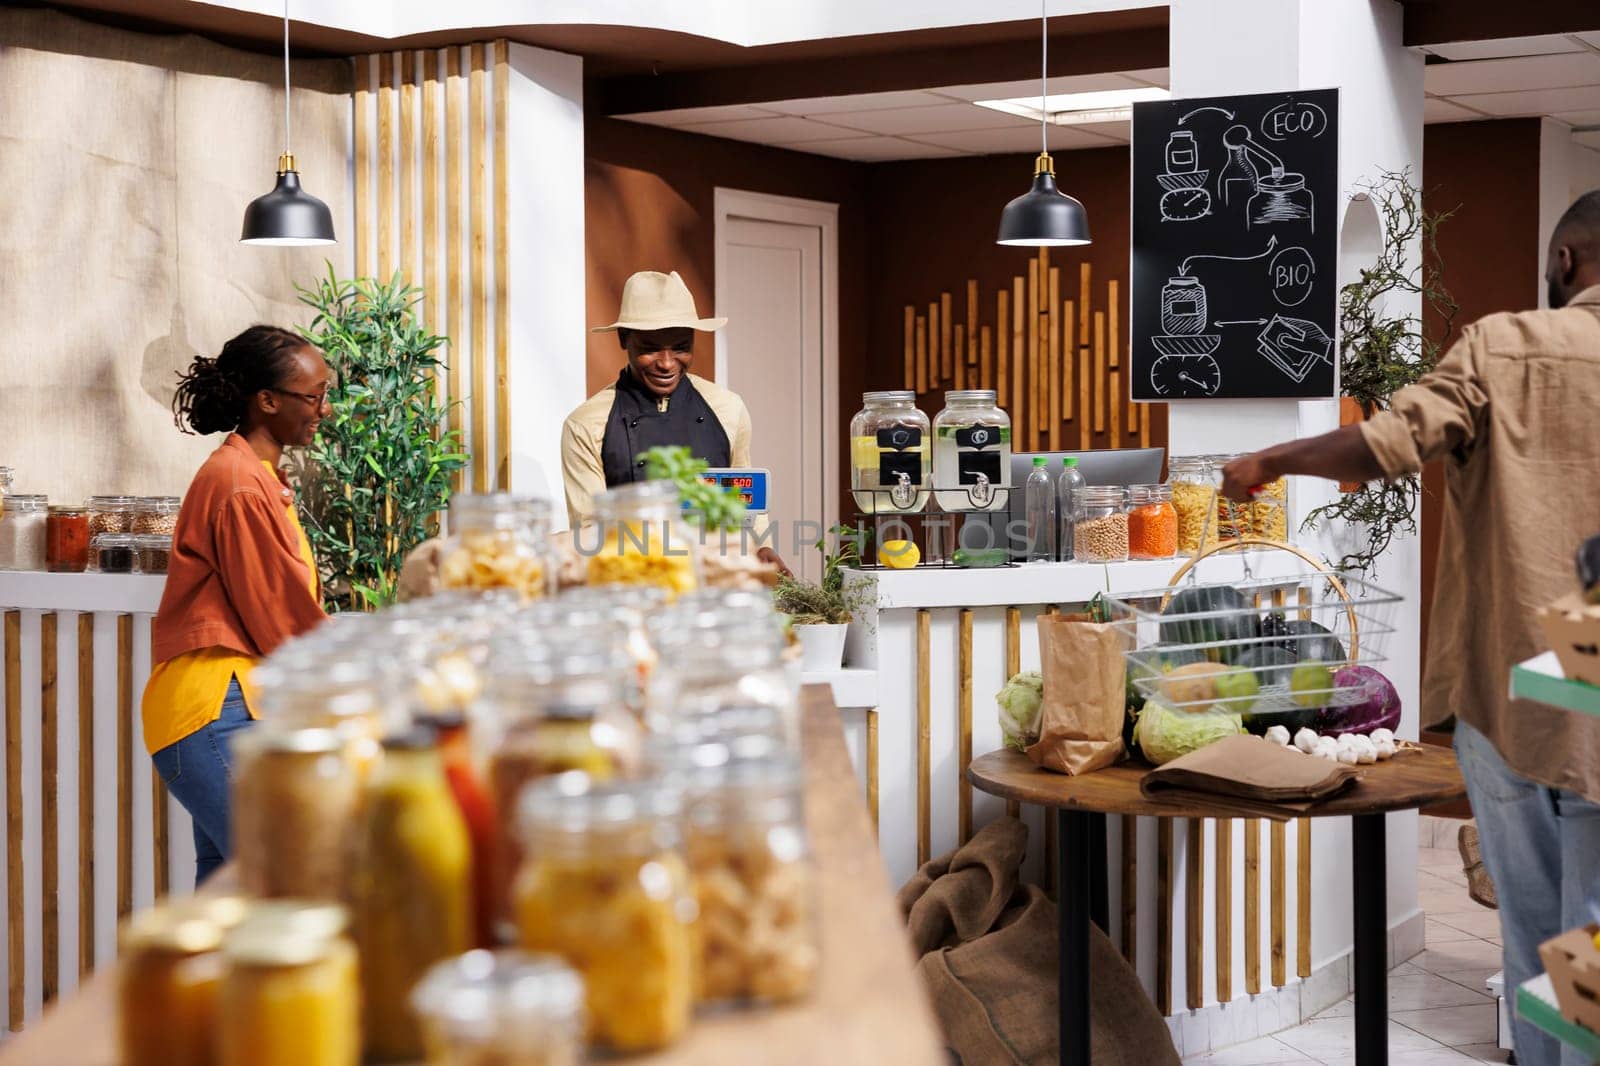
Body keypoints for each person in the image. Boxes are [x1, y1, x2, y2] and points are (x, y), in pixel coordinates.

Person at [1220, 190, 1600, 1066]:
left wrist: (1271, 460)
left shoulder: (1508, 346)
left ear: (1566, 263)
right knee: (1589, 946)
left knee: (1534, 935)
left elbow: (1389, 444)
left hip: (1512, 698)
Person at [144, 325, 330, 884]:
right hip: (216, 713)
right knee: (284, 880)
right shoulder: (241, 486)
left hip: (219, 711)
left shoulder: (252, 475)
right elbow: (280, 619)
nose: (324, 408)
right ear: (267, 401)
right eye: (314, 396)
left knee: (229, 900)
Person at [560, 269, 788, 574]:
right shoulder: (586, 424)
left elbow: (746, 501)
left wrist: (762, 547)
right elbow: (589, 530)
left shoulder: (728, 408)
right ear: (624, 339)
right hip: (633, 584)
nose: (667, 363)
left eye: (681, 347)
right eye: (650, 348)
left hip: (716, 583)